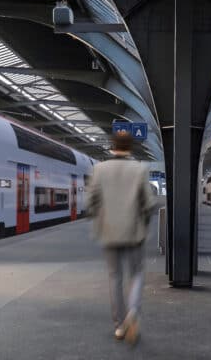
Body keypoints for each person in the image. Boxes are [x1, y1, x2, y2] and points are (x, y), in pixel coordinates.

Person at [87, 131, 156, 345]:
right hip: (134, 232)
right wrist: (143, 222)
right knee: (136, 274)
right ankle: (133, 311)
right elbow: (149, 204)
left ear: (112, 146)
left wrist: (101, 216)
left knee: (115, 277)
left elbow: (90, 203)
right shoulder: (139, 170)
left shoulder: (99, 169)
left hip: (108, 232)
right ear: (131, 148)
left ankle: (118, 326)